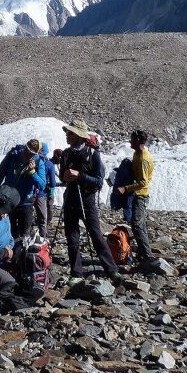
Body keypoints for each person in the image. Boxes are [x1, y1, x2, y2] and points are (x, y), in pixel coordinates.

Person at [59, 119, 121, 284]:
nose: (67, 135)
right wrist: (65, 176)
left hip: (87, 201)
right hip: (70, 199)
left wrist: (80, 176)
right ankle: (76, 273)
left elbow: (99, 181)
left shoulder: (92, 154)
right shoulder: (66, 154)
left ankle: (112, 270)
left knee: (96, 235)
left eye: (70, 133)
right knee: (72, 238)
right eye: (67, 132)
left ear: (79, 136)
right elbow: (62, 177)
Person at [115, 130, 165, 275]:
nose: (130, 142)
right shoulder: (137, 154)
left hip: (140, 195)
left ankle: (148, 257)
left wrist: (126, 188)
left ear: (137, 141)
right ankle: (144, 254)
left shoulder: (143, 158)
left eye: (132, 139)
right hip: (137, 195)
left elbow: (142, 182)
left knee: (137, 224)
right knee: (138, 224)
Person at [0, 140, 47, 239]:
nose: (28, 154)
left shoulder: (38, 162)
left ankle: (21, 252)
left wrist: (32, 173)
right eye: (27, 150)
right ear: (25, 147)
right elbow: (1, 173)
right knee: (9, 232)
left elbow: (42, 185)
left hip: (25, 203)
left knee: (24, 235)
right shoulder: (13, 155)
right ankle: (10, 252)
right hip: (9, 201)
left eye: (32, 153)